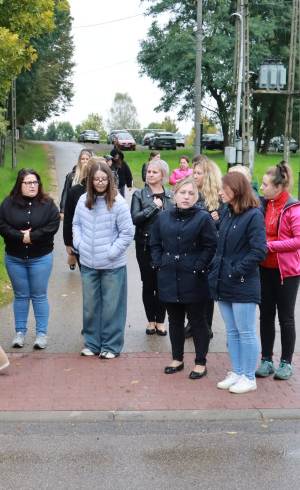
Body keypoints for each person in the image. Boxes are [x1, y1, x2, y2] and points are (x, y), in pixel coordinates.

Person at [150, 177, 217, 378]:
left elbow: (211, 246)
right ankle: (177, 358)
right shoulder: (163, 217)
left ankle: (200, 362)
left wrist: (198, 266)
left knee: (198, 321)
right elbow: (154, 242)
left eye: (191, 193)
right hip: (169, 275)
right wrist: (159, 262)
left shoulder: (203, 218)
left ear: (196, 196)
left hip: (194, 277)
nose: (186, 197)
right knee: (175, 320)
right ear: (175, 194)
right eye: (183, 193)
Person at [208, 171, 266, 394]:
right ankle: (238, 371)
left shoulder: (253, 215)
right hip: (223, 282)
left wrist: (235, 270)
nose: (220, 192)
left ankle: (249, 377)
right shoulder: (228, 212)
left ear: (236, 190)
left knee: (246, 331)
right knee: (231, 331)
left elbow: (259, 251)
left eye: (224, 188)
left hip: (242, 282)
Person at [72, 160, 134, 358]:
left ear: (110, 180)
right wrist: (80, 245)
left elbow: (127, 233)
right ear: (90, 180)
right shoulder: (83, 201)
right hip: (89, 263)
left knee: (111, 307)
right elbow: (76, 225)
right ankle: (92, 343)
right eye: (96, 179)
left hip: (112, 265)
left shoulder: (119, 202)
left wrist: (111, 252)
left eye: (104, 179)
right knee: (90, 307)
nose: (100, 183)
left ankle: (111, 345)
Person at [0, 168, 61, 350]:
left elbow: (53, 224)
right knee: (21, 295)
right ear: (20, 185)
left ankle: (41, 334)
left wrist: (32, 237)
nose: (33, 186)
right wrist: (19, 236)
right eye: (28, 183)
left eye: (35, 183)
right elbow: (1, 224)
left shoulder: (47, 203)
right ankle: (20, 333)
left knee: (39, 295)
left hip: (40, 257)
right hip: (15, 258)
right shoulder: (8, 203)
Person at [256, 161, 300, 381]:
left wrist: (269, 246)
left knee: (286, 317)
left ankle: (286, 362)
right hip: (263, 269)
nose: (261, 188)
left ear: (278, 187)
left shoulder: (295, 208)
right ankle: (266, 360)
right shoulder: (264, 205)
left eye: (265, 184)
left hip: (287, 272)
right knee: (265, 316)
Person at [130, 158, 173, 336]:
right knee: (148, 284)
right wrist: (154, 207)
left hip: (166, 247)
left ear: (163, 175)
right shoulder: (139, 195)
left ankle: (161, 321)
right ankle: (151, 321)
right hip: (145, 245)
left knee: (162, 284)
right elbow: (135, 218)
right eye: (148, 172)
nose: (150, 175)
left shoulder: (171, 195)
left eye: (154, 172)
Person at [191, 154, 225, 338]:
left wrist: (215, 222)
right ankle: (192, 324)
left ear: (208, 176)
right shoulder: (190, 193)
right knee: (191, 288)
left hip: (209, 250)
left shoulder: (218, 198)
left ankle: (206, 326)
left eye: (198, 173)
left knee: (206, 289)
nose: (194, 176)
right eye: (194, 172)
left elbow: (223, 223)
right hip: (190, 247)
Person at [63, 155, 106, 270]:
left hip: (105, 246)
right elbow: (68, 219)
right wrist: (68, 243)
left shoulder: (111, 193)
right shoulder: (75, 192)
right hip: (82, 244)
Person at [60, 148, 94, 221]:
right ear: (79, 161)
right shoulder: (71, 176)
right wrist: (62, 210)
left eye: (87, 159)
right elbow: (65, 192)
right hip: (73, 209)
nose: (85, 161)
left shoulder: (94, 176)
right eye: (83, 159)